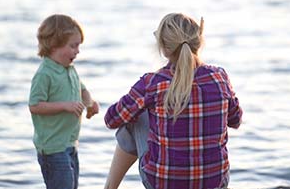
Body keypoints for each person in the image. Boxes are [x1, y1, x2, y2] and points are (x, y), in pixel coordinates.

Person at [104, 13, 243, 189]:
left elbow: (111, 120)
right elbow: (236, 120)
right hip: (215, 183)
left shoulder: (152, 83)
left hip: (163, 183)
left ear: (164, 48)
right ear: (198, 42)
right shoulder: (220, 77)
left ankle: (110, 187)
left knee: (136, 115)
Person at [28, 14, 99, 189]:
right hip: (52, 148)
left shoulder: (69, 70)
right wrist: (64, 106)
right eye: (73, 46)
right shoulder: (44, 74)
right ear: (54, 45)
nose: (78, 51)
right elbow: (34, 105)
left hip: (70, 144)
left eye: (78, 46)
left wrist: (90, 103)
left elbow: (82, 90)